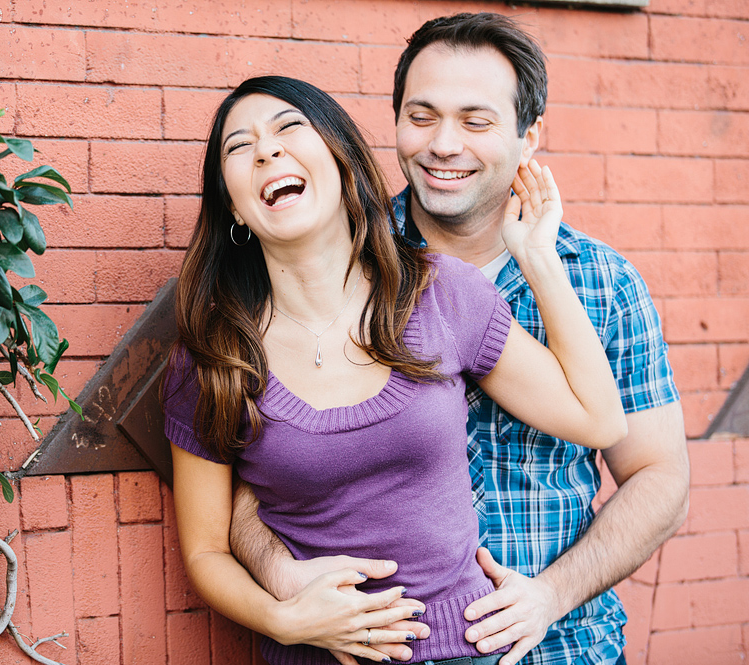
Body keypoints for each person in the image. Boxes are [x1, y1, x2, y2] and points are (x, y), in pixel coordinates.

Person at [227, 14, 689, 665]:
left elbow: (658, 476)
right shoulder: (327, 260)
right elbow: (251, 478)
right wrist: (285, 581)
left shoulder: (604, 285)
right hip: (374, 647)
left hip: (560, 645)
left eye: (476, 121)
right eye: (421, 116)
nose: (444, 144)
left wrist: (550, 595)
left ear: (529, 137)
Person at [164, 75, 626, 665]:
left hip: (467, 647)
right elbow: (205, 552)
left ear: (341, 156)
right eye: (238, 147)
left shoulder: (441, 293)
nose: (265, 150)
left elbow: (599, 420)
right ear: (233, 204)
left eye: (288, 128)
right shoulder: (212, 354)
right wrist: (285, 620)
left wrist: (539, 258)